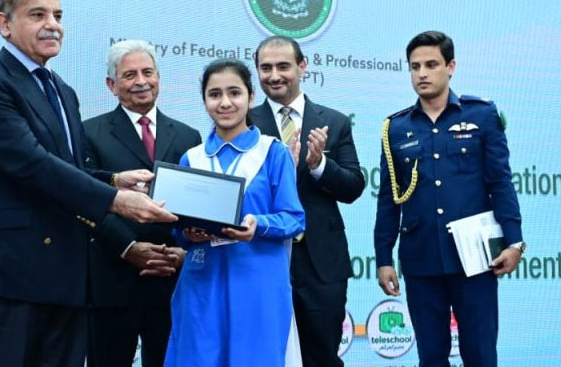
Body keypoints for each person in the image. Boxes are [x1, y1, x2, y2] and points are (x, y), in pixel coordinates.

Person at [0, 0, 177, 367]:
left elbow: (67, 168)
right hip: (9, 274)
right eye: (37, 14)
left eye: (57, 15)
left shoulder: (63, 91)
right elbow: (31, 163)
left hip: (69, 277)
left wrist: (111, 179)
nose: (52, 24)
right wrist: (115, 200)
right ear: (5, 24)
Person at [374, 30, 524, 366]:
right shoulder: (395, 128)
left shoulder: (482, 115)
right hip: (421, 258)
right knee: (431, 356)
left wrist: (514, 242)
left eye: (431, 64)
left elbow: (501, 182)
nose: (422, 73)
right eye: (415, 67)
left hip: (476, 259)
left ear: (451, 66)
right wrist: (383, 257)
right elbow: (389, 198)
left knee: (481, 354)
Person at [164, 58, 306, 367]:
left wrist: (259, 225)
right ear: (204, 101)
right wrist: (187, 233)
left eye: (234, 93)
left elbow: (294, 218)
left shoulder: (272, 152)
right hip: (203, 281)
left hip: (257, 281)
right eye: (215, 95)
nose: (225, 102)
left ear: (251, 97)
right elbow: (177, 228)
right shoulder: (192, 157)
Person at [83, 39, 201, 367]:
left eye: (148, 72)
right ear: (112, 84)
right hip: (113, 279)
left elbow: (198, 207)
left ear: (159, 78)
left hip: (172, 281)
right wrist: (129, 247)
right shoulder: (88, 133)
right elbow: (86, 202)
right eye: (129, 75)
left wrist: (183, 252)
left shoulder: (189, 137)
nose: (141, 81)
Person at [250, 36, 365, 367]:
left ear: (302, 67)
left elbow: (354, 187)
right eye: (265, 68)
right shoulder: (244, 125)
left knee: (322, 357)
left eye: (283, 66)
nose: (274, 76)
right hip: (263, 257)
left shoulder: (334, 121)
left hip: (321, 263)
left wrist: (318, 166)